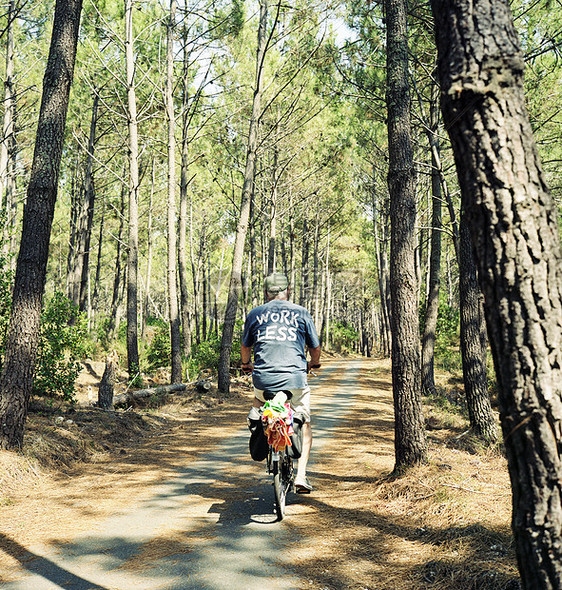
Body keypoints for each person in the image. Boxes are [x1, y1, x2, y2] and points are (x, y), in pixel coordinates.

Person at [240, 272, 321, 493]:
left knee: (259, 400)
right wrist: (314, 363)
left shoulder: (255, 313)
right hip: (295, 378)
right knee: (304, 422)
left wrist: (246, 364)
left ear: (266, 293)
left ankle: (256, 417)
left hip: (264, 379)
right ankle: (301, 476)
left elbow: (245, 348)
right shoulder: (301, 313)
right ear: (288, 291)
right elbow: (315, 348)